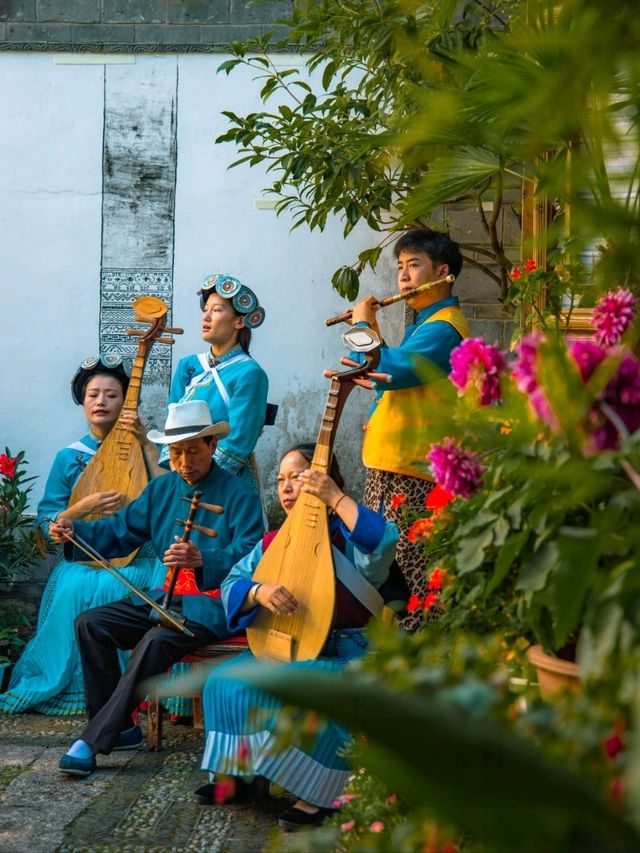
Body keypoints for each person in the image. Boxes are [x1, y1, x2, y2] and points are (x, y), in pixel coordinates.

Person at [53, 400, 263, 777]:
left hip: (212, 606)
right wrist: (75, 531)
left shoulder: (239, 494)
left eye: (193, 451)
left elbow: (254, 554)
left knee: (154, 641)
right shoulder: (162, 488)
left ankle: (94, 739)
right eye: (177, 452)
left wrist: (203, 560)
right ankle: (123, 729)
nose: (184, 462)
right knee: (91, 623)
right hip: (161, 598)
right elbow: (120, 532)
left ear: (213, 445)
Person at [195, 443, 398, 831]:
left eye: (298, 478)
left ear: (322, 481)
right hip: (283, 646)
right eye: (280, 481)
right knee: (225, 682)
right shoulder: (273, 542)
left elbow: (383, 540)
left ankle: (321, 795)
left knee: (301, 692)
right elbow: (233, 583)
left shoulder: (351, 541)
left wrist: (336, 498)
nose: (286, 488)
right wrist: (259, 592)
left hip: (345, 651)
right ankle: (242, 778)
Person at [0, 356, 157, 716]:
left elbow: (166, 499)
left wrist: (147, 445)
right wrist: (78, 510)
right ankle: (78, 689)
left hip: (139, 556)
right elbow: (45, 522)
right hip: (84, 559)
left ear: (126, 402)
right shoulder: (69, 457)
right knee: (76, 586)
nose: (101, 401)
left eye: (112, 395)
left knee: (128, 584)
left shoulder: (149, 452)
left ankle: (135, 692)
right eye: (93, 395)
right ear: (83, 402)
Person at [349, 227, 471, 630]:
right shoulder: (425, 323)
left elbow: (387, 367)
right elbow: (387, 372)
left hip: (413, 475)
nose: (402, 276)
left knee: (409, 572)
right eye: (400, 266)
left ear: (444, 272)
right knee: (380, 568)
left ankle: (421, 653)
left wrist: (363, 325)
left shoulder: (444, 327)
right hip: (394, 467)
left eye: (414, 265)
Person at [163, 273, 269, 493]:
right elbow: (171, 425)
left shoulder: (249, 373)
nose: (206, 317)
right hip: (181, 474)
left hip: (226, 483)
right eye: (205, 310)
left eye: (217, 310)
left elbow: (238, 442)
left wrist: (202, 479)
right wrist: (179, 470)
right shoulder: (188, 366)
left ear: (239, 321)